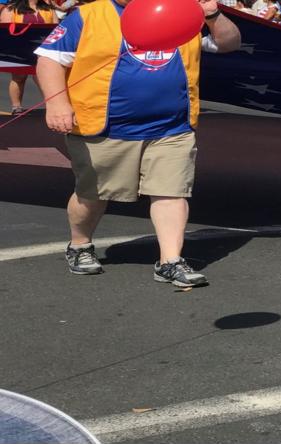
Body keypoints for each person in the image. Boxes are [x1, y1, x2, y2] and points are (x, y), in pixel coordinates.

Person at [34, 0, 242, 287]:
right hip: (105, 126)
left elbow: (228, 43)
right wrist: (57, 103)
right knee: (93, 194)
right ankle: (80, 245)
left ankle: (170, 261)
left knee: (171, 191)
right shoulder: (89, 15)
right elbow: (49, 58)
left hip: (172, 126)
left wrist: (213, 15)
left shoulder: (179, 10)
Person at [1, 0, 57, 117]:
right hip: (20, 50)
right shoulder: (11, 9)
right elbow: (5, 31)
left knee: (44, 78)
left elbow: (55, 29)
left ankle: (51, 104)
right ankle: (16, 107)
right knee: (19, 78)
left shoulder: (48, 9)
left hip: (43, 50)